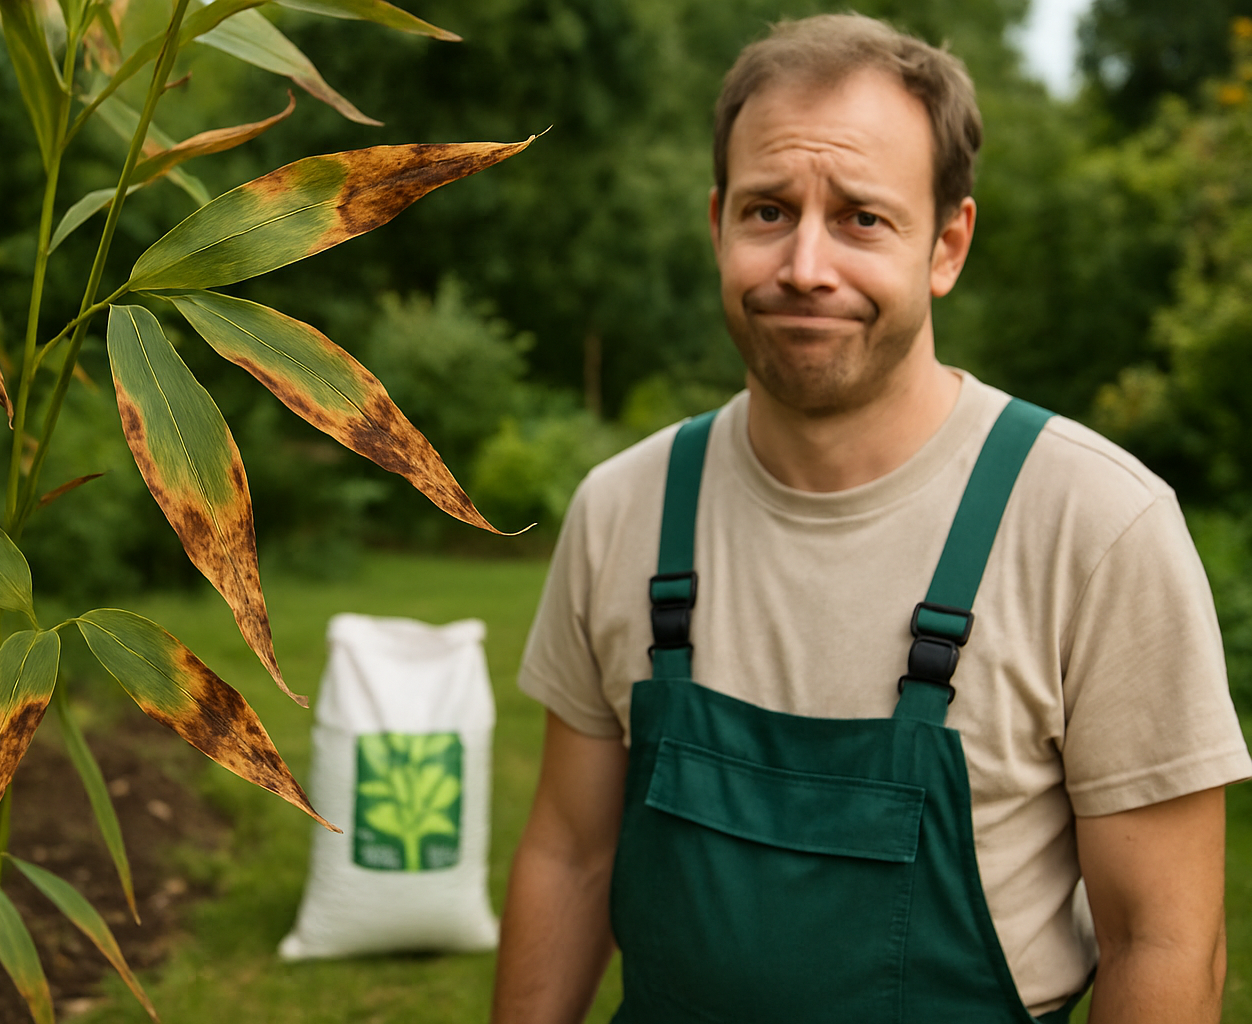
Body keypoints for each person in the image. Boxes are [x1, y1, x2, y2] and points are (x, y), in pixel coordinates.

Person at [490, 13, 1252, 1024]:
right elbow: (571, 855)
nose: (805, 265)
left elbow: (1164, 942)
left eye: (861, 218)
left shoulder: (1095, 524)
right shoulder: (624, 507)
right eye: (768, 211)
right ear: (717, 219)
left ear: (947, 245)